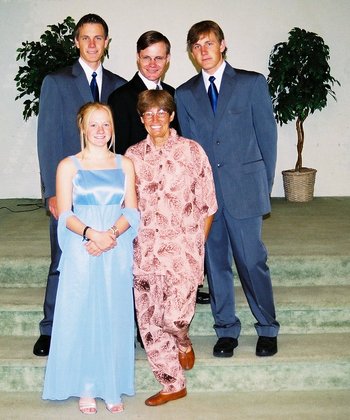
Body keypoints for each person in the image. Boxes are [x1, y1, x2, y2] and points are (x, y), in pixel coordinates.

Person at [175, 20, 280, 359]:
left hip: (245, 191)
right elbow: (190, 149)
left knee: (252, 262)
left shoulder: (251, 84)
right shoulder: (185, 93)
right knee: (215, 264)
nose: (203, 50)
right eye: (196, 46)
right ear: (191, 53)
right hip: (206, 197)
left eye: (209, 43)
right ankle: (226, 330)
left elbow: (267, 138)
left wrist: (262, 188)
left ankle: (266, 328)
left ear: (222, 45)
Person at [34, 13, 126, 357]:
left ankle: (104, 327)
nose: (92, 44)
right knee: (63, 260)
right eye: (85, 38)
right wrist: (52, 193)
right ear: (76, 42)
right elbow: (47, 140)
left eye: (98, 37)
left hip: (107, 193)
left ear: (106, 42)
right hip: (69, 188)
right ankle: (51, 328)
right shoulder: (56, 82)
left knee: (108, 260)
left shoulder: (118, 85)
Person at [42, 102, 139, 415]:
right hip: (81, 248)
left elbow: (132, 211)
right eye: (94, 125)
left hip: (116, 246)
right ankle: (85, 385)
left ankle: (110, 383)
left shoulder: (125, 164)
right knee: (83, 313)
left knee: (114, 313)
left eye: (106, 124)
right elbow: (65, 213)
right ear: (82, 128)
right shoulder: (68, 166)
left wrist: (110, 234)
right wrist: (91, 234)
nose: (100, 131)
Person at [125, 90, 217, 406]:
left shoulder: (192, 152)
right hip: (146, 253)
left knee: (174, 318)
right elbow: (126, 206)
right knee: (150, 323)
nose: (155, 120)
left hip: (183, 253)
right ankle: (172, 384)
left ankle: (183, 340)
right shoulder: (132, 156)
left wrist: (196, 244)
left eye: (161, 113)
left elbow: (208, 204)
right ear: (141, 120)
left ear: (172, 116)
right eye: (148, 114)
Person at [108, 30, 179, 155]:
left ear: (168, 58)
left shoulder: (174, 94)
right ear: (138, 57)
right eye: (147, 58)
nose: (153, 64)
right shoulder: (120, 98)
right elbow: (117, 152)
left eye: (158, 58)